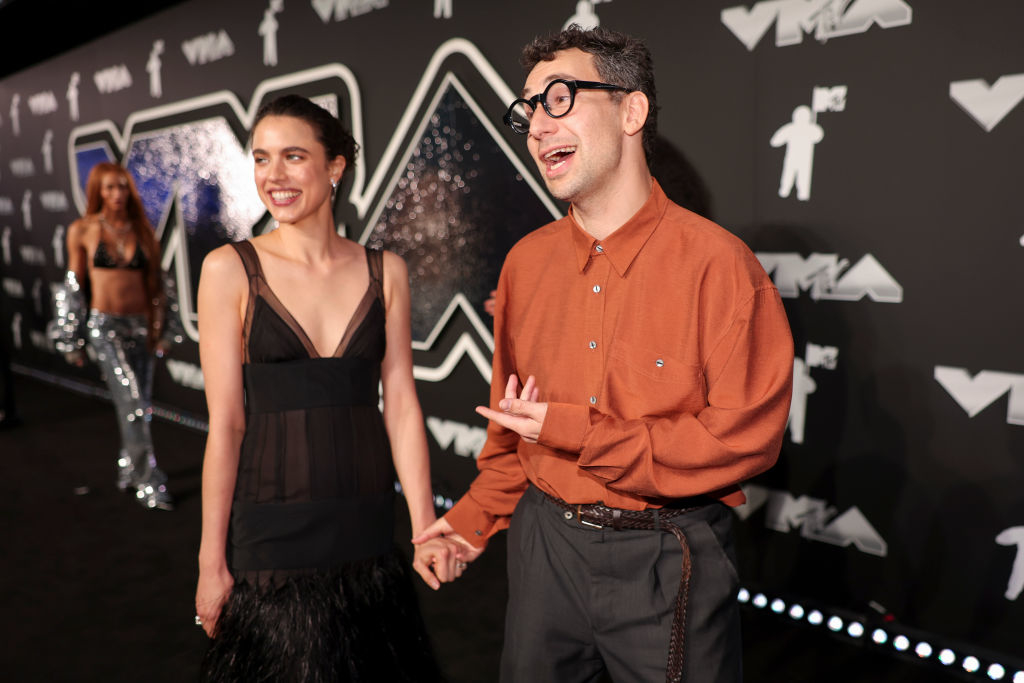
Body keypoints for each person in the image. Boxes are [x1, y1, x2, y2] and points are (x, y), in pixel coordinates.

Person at [414, 26, 794, 683]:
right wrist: (472, 520)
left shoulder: (720, 265)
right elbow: (512, 426)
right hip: (543, 548)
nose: (537, 126)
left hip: (667, 556)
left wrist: (581, 432)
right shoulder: (524, 264)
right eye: (528, 110)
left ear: (631, 110)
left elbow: (741, 439)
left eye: (559, 98)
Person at [194, 94, 460, 682]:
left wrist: (424, 528)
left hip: (365, 524)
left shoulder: (386, 271)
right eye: (261, 158)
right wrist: (211, 561)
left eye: (293, 156)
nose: (274, 175)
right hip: (272, 527)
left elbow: (401, 406)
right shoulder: (228, 269)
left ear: (335, 166)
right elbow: (227, 426)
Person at [52, 161, 180, 510]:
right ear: (98, 190)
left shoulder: (142, 230)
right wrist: (70, 338)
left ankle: (129, 466)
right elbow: (73, 287)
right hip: (105, 328)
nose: (117, 194)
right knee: (133, 401)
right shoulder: (83, 230)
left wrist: (166, 330)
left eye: (122, 186)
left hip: (142, 326)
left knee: (138, 404)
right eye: (109, 187)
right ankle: (147, 481)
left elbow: (160, 284)